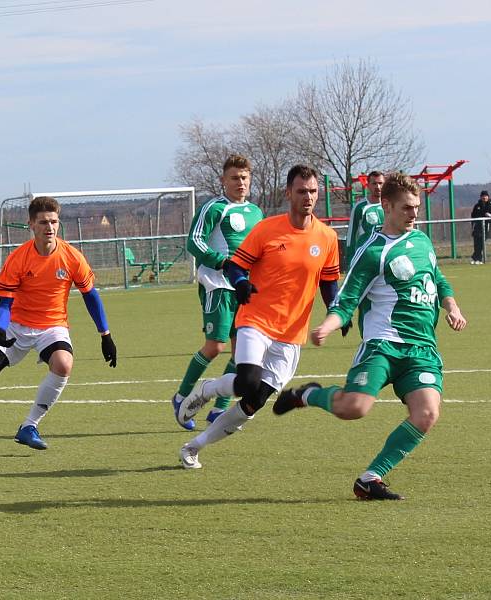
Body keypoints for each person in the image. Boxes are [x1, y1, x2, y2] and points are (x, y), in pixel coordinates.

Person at [273, 173, 467, 500]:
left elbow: (438, 278)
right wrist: (329, 324)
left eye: (417, 207)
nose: (414, 214)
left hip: (421, 349)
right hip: (383, 346)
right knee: (355, 408)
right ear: (387, 205)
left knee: (427, 414)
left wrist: (452, 306)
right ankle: (308, 395)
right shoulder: (372, 252)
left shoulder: (421, 241)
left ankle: (371, 479)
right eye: (407, 208)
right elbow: (346, 299)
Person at [175, 164, 344, 469]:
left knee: (253, 403)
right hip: (256, 319)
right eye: (302, 191)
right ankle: (206, 390)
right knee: (247, 382)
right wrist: (239, 282)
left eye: (313, 191)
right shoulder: (266, 229)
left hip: (292, 333)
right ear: (288, 193)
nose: (308, 197)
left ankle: (194, 447)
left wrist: (337, 309)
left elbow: (329, 281)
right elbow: (237, 265)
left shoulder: (328, 237)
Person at [0, 196, 117, 456]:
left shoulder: (71, 257)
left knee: (63, 364)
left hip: (52, 327)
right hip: (15, 326)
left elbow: (91, 295)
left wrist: (105, 334)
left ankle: (29, 426)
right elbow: (4, 304)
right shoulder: (18, 259)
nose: (50, 227)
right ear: (31, 225)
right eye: (43, 222)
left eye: (54, 221)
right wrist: (0, 328)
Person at [171, 154, 263, 431]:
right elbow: (194, 242)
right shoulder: (214, 208)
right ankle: (181, 396)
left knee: (242, 351)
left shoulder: (256, 213)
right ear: (223, 180)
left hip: (246, 289)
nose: (240, 182)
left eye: (244, 177)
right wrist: (221, 261)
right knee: (215, 346)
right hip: (219, 286)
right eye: (234, 177)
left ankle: (219, 411)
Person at [344, 171, 385, 269]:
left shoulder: (391, 205)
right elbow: (351, 236)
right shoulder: (360, 207)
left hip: (386, 256)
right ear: (368, 185)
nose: (378, 187)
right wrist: (350, 259)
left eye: (380, 183)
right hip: (367, 258)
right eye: (374, 183)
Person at [470, 190, 491, 264]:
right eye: (483, 196)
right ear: (480, 197)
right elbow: (473, 216)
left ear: (488, 197)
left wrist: (489, 215)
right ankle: (476, 259)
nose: (484, 197)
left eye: (485, 196)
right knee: (477, 242)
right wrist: (473, 225)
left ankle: (477, 258)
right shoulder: (477, 205)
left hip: (487, 225)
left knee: (482, 242)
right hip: (478, 226)